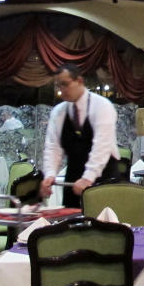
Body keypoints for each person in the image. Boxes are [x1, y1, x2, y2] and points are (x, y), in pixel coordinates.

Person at [40, 64, 120, 208]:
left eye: (65, 84)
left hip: (103, 174)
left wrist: (88, 178)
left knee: (105, 224)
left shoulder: (102, 106)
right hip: (74, 174)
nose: (61, 90)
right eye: (58, 85)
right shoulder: (58, 112)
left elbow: (102, 146)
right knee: (71, 224)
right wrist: (50, 174)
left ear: (80, 81)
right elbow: (53, 147)